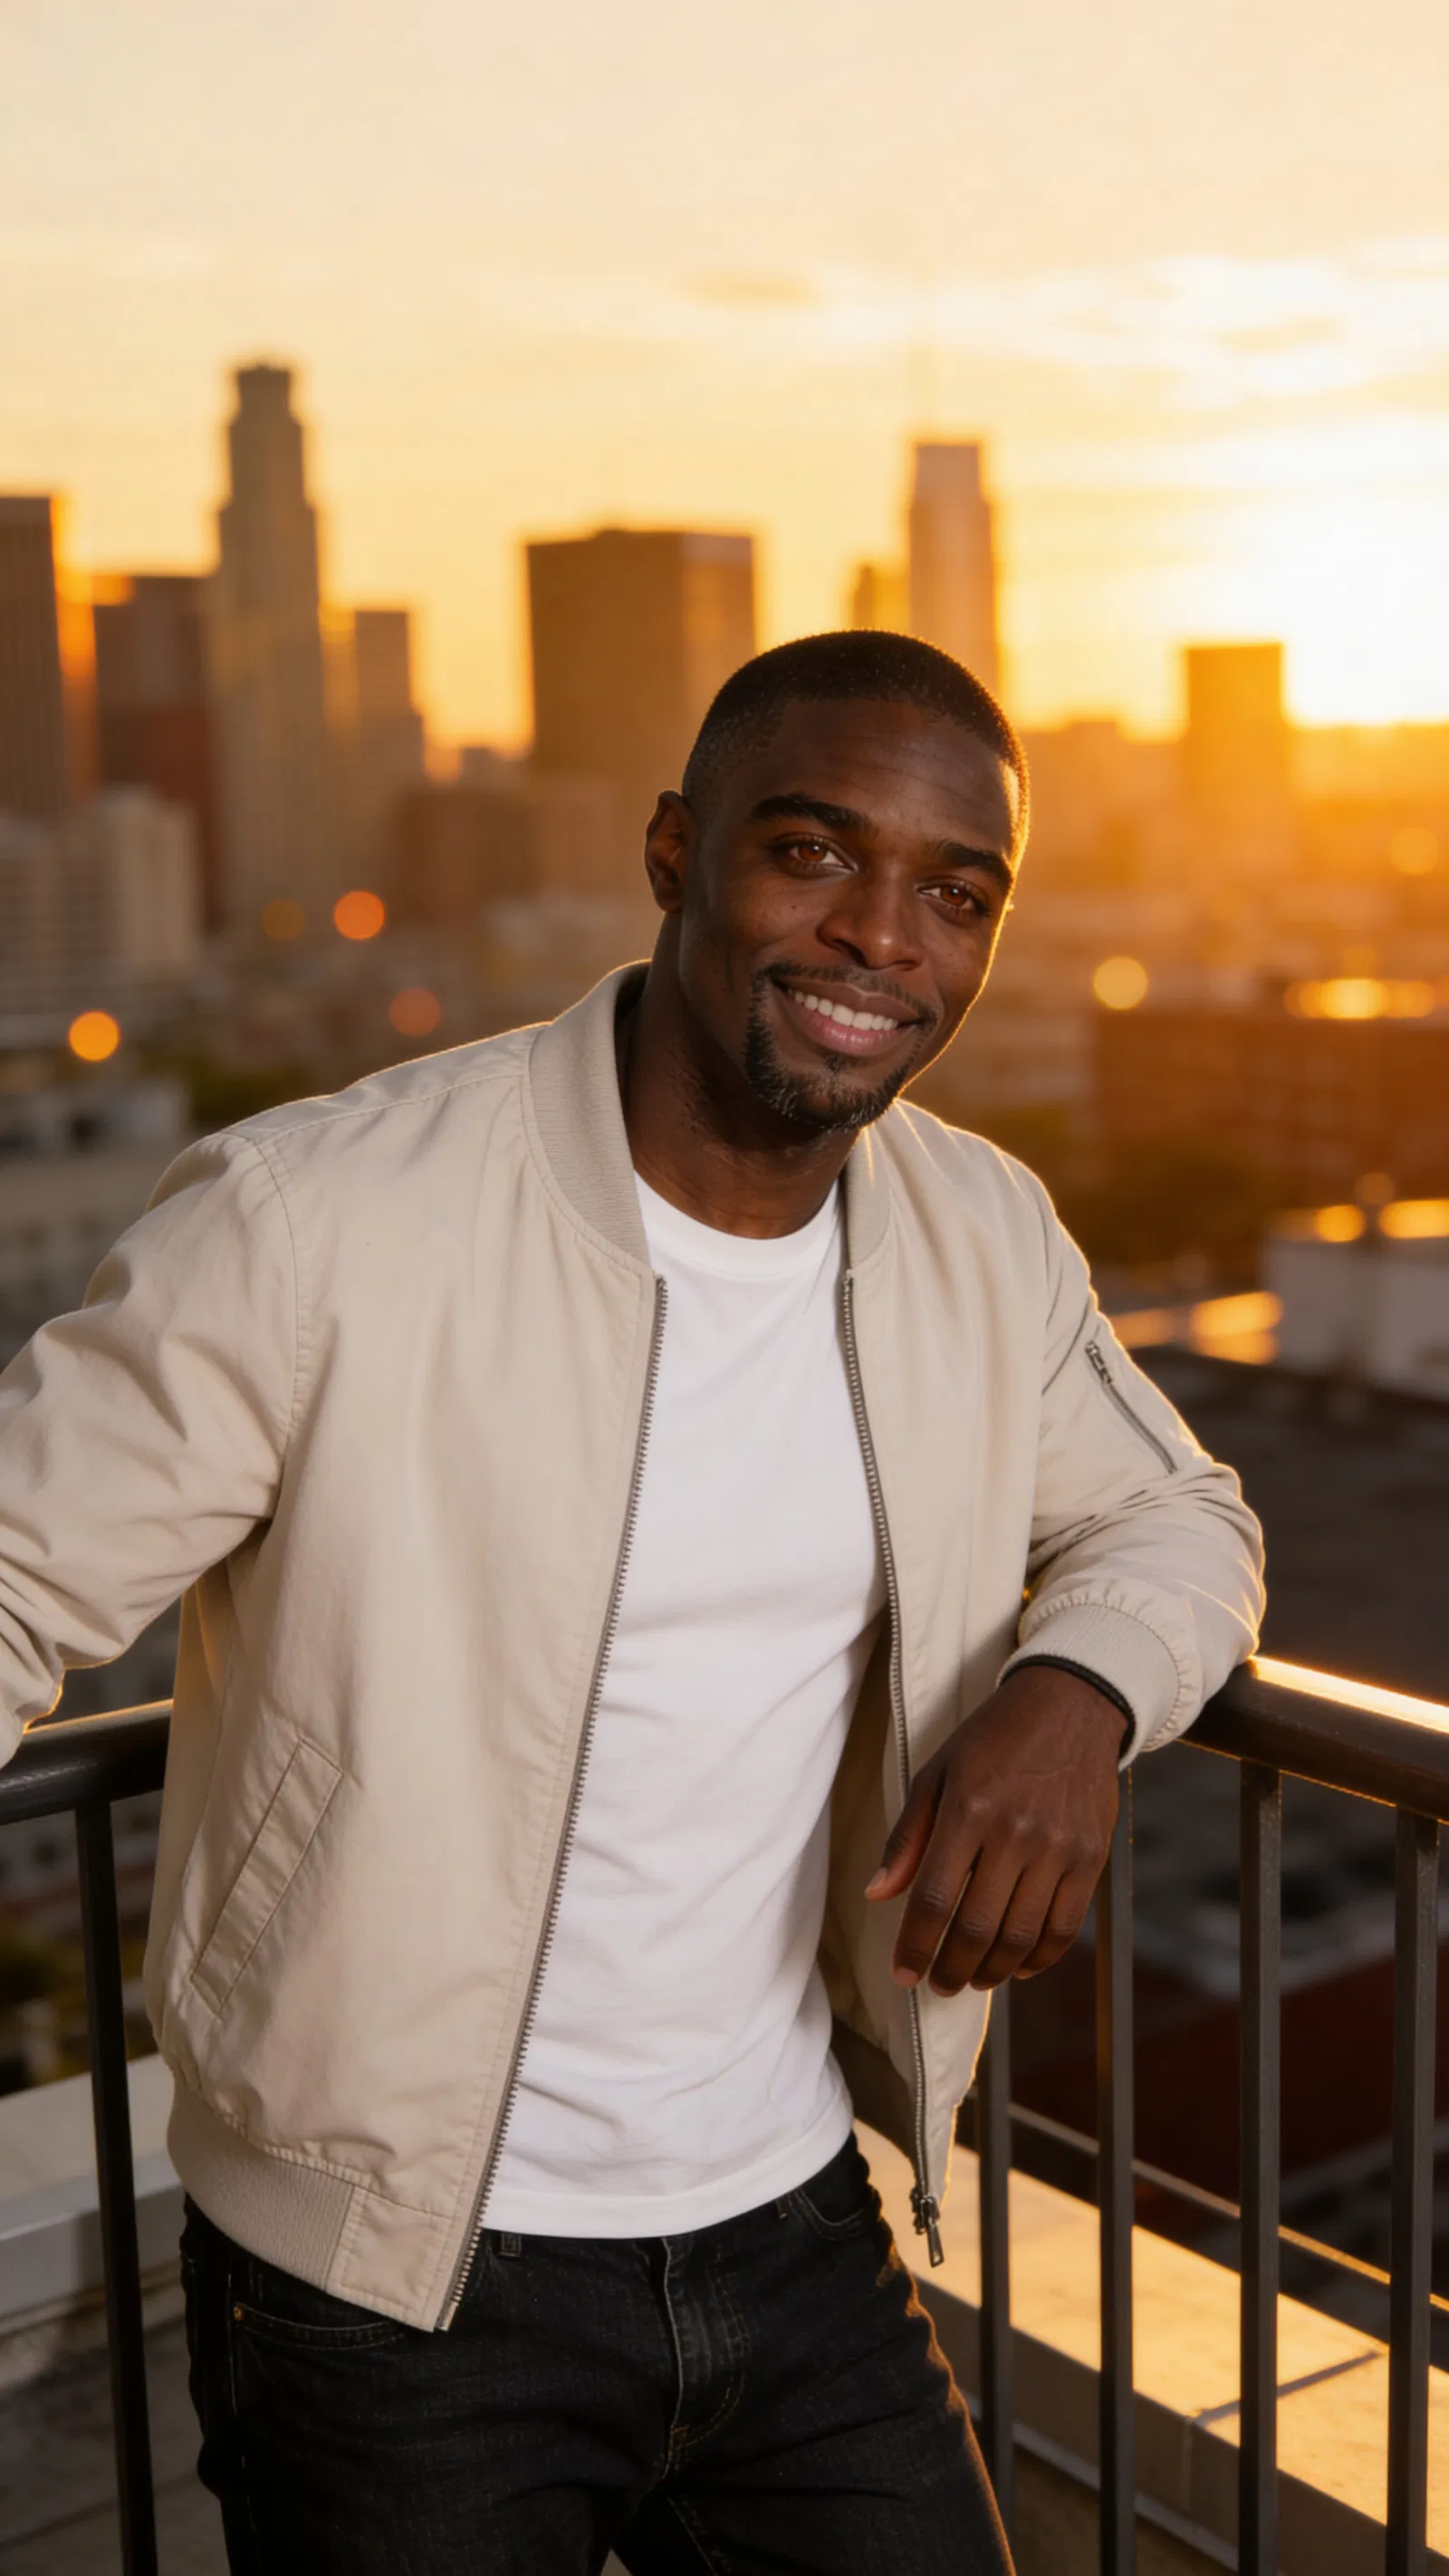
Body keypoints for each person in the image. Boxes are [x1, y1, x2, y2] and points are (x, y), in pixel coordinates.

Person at [0, 631, 1262, 2573]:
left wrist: (1073, 1695)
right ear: (673, 853)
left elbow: (1179, 1517)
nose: (876, 939)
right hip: (388, 2278)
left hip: (793, 2219)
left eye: (951, 892)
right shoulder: (320, 1221)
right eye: (810, 853)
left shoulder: (974, 1228)